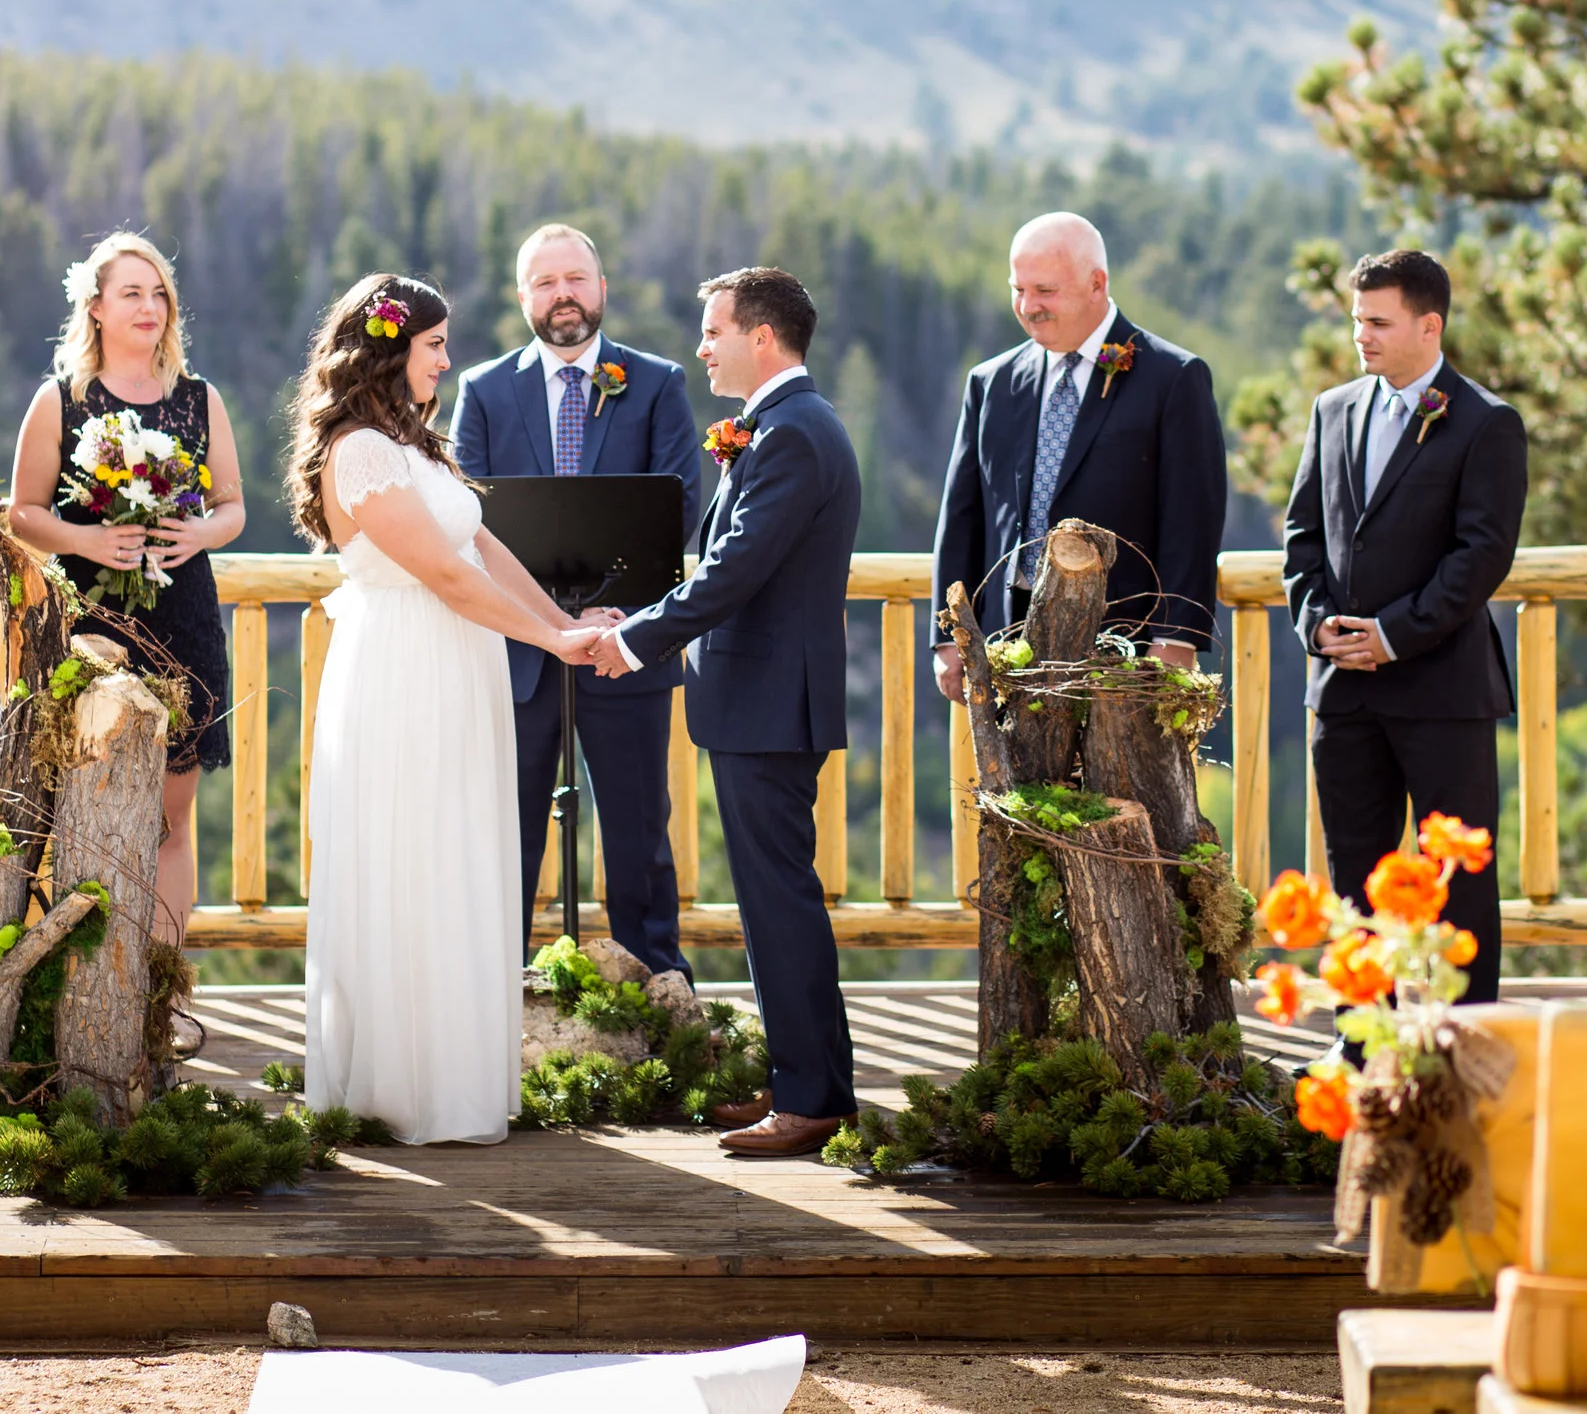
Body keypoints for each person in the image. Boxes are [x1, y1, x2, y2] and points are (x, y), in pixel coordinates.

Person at [290, 273, 603, 1145]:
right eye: (433, 345)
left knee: (456, 848)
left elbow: (484, 548)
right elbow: (445, 576)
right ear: (391, 350)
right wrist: (551, 646)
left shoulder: (412, 444)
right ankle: (403, 1085)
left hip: (455, 665)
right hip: (404, 670)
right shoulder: (360, 451)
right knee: (410, 853)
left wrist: (561, 623)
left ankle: (457, 1075)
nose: (445, 360)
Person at [588, 267, 861, 1158]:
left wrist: (635, 640)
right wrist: (639, 615)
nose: (701, 348)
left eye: (714, 331)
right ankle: (805, 1079)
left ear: (763, 337)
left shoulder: (793, 434)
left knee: (779, 901)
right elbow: (725, 565)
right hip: (759, 701)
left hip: (770, 704)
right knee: (773, 897)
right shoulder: (784, 427)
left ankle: (813, 1099)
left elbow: (734, 570)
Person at [450, 223, 702, 974]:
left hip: (623, 643)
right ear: (522, 297)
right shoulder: (484, 391)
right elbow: (466, 519)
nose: (562, 294)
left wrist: (600, 617)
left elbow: (676, 509)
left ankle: (656, 987)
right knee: (509, 830)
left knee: (638, 831)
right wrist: (551, 620)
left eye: (575, 279)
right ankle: (494, 990)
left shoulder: (657, 382)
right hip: (518, 650)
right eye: (545, 282)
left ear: (601, 288)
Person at [1283, 249, 1525, 1002]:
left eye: (1379, 322)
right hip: (1344, 693)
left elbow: (1481, 555)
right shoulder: (1332, 410)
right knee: (1354, 881)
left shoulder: (1486, 423)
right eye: (1358, 320)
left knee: (1459, 884)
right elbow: (1303, 537)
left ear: (1429, 326)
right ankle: (1363, 1049)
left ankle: (1463, 1041)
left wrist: (1392, 634)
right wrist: (1316, 625)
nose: (1362, 335)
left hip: (1442, 690)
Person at [11, 231, 246, 942]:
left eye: (159, 294)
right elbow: (22, 513)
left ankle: (162, 982)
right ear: (95, 308)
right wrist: (85, 539)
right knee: (87, 809)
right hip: (91, 629)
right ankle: (90, 985)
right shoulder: (60, 400)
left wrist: (201, 532)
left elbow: (233, 507)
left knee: (173, 815)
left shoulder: (199, 399)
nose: (150, 307)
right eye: (132, 294)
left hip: (185, 620)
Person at [931, 211, 1227, 695]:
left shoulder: (1173, 379)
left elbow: (1191, 520)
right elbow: (962, 516)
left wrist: (1175, 638)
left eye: (1045, 291)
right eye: (1018, 289)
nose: (1028, 306)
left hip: (1125, 647)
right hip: (1006, 644)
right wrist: (950, 636)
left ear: (1096, 284)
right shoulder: (991, 383)